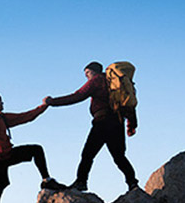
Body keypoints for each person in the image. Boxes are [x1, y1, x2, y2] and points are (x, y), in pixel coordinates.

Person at [44, 61, 138, 192]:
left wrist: (53, 102)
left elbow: (78, 95)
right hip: (117, 123)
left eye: (87, 73)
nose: (86, 76)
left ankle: (81, 182)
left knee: (87, 154)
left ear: (93, 71)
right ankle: (132, 183)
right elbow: (128, 103)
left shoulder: (97, 80)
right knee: (119, 156)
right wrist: (131, 124)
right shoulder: (116, 83)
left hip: (102, 122)